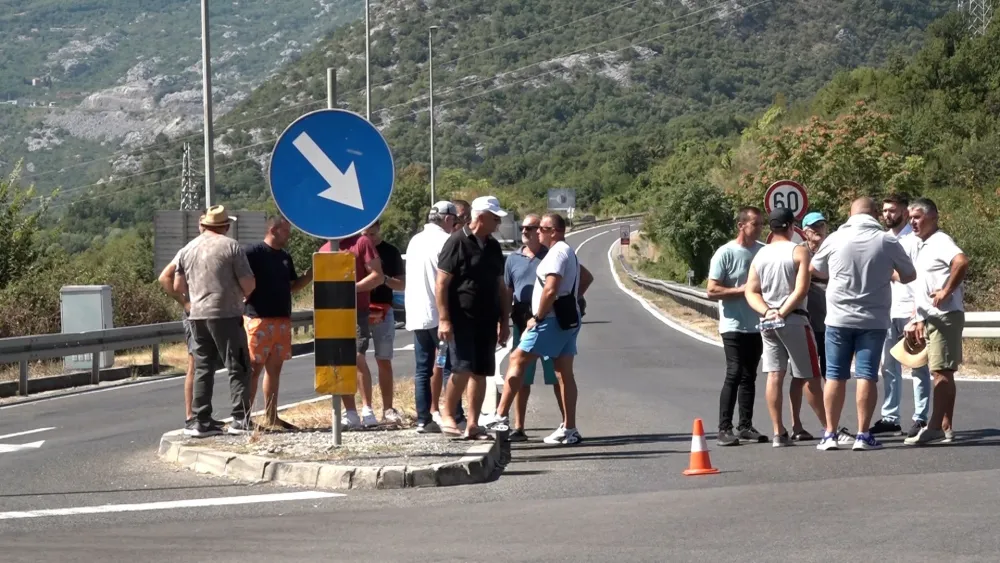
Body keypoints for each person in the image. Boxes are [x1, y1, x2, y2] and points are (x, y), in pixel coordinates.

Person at [810, 197, 916, 451]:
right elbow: (910, 274)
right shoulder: (886, 240)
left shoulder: (835, 238)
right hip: (873, 319)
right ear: (875, 214)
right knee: (866, 375)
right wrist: (887, 272)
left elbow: (815, 268)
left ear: (851, 213)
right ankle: (862, 435)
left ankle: (830, 435)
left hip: (837, 319)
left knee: (835, 376)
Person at [487, 212, 593, 445]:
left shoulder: (556, 254)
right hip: (567, 319)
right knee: (563, 372)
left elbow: (550, 289)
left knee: (517, 359)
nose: (536, 233)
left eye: (541, 229)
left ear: (553, 231)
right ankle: (569, 428)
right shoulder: (567, 252)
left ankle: (501, 416)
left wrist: (537, 316)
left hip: (550, 319)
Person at [745, 208, 826, 446]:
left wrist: (767, 311)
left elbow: (751, 290)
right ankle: (829, 427)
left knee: (774, 375)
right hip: (794, 319)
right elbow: (801, 289)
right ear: (792, 227)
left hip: (768, 323)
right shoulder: (799, 251)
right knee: (810, 375)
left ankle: (778, 432)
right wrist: (783, 310)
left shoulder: (760, 255)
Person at [173, 205, 256, 437]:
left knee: (202, 367)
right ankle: (240, 418)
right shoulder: (231, 246)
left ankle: (200, 421)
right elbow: (249, 283)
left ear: (205, 225)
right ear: (226, 226)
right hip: (226, 313)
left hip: (197, 315)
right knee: (238, 365)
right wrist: (240, 295)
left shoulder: (187, 249)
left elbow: (178, 286)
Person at [436, 195, 511, 440]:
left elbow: (501, 285)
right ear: (480, 218)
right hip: (462, 318)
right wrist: (444, 319)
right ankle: (448, 415)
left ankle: (473, 424)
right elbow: (441, 284)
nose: (498, 224)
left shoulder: (493, 247)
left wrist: (504, 320)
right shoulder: (456, 242)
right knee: (462, 368)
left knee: (481, 372)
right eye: (495, 218)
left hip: (487, 319)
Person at [904, 197, 969, 446]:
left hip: (944, 316)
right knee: (941, 371)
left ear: (933, 217)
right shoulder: (923, 245)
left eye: (917, 217)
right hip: (931, 317)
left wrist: (946, 291)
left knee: (941, 371)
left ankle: (934, 427)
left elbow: (961, 261)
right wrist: (918, 317)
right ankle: (945, 426)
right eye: (910, 218)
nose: (912, 222)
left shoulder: (940, 241)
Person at [242, 216, 313, 430]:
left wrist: (309, 276)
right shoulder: (252, 253)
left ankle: (271, 416)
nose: (288, 235)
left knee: (275, 370)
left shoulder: (285, 256)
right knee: (253, 369)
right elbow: (240, 278)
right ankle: (244, 417)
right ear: (273, 229)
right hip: (258, 318)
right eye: (286, 231)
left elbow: (291, 286)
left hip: (282, 319)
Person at [872, 194, 932, 438]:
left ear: (905, 213)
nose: (888, 215)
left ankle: (920, 417)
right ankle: (891, 416)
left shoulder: (914, 240)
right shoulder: (883, 239)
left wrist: (917, 313)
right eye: (885, 210)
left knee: (917, 366)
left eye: (893, 210)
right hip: (888, 309)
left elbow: (919, 277)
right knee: (889, 366)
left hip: (910, 310)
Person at [707, 206, 767, 446]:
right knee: (734, 372)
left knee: (749, 376)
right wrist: (741, 291)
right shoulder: (725, 253)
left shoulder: (764, 252)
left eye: (762, 224)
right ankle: (724, 428)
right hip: (732, 324)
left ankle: (745, 426)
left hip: (758, 324)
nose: (760, 228)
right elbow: (712, 290)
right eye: (756, 224)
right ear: (742, 225)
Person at [405, 202, 465, 433]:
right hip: (442, 315)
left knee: (423, 369)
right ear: (448, 219)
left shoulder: (414, 241)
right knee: (451, 367)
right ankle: (455, 416)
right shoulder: (446, 241)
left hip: (418, 314)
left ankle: (423, 420)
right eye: (456, 221)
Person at [318, 232, 384, 429]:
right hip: (331, 313)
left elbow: (377, 276)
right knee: (340, 361)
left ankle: (367, 410)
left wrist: (350, 289)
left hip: (357, 311)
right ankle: (351, 412)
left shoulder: (361, 242)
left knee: (357, 357)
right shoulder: (324, 249)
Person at [157, 215, 215, 429]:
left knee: (207, 364)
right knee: (195, 363)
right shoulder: (189, 249)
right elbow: (165, 277)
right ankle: (191, 415)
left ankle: (203, 414)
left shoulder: (212, 248)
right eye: (202, 223)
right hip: (195, 312)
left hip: (211, 311)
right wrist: (184, 302)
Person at [361, 219, 405, 426]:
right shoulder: (356, 248)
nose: (369, 238)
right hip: (358, 310)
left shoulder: (390, 251)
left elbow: (402, 285)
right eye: (365, 234)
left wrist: (381, 278)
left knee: (383, 360)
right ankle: (365, 408)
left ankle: (388, 408)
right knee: (357, 360)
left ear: (379, 230)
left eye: (373, 234)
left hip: (383, 310)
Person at [800, 212, 829, 377]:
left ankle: (828, 403)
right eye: (814, 226)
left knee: (830, 372)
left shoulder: (833, 249)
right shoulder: (799, 252)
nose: (819, 229)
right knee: (806, 373)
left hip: (831, 321)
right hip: (807, 321)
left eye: (822, 225)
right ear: (805, 232)